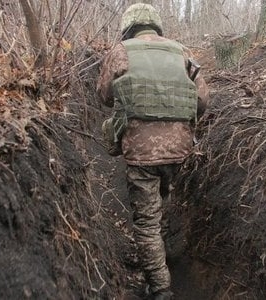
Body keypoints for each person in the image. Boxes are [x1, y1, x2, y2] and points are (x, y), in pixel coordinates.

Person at [97, 3, 209, 299]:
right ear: (156, 25)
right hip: (180, 149)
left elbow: (105, 96)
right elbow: (202, 101)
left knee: (146, 220)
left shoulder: (120, 50)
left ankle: (160, 287)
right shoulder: (181, 51)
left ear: (129, 26)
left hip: (141, 152)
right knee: (165, 198)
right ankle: (163, 250)